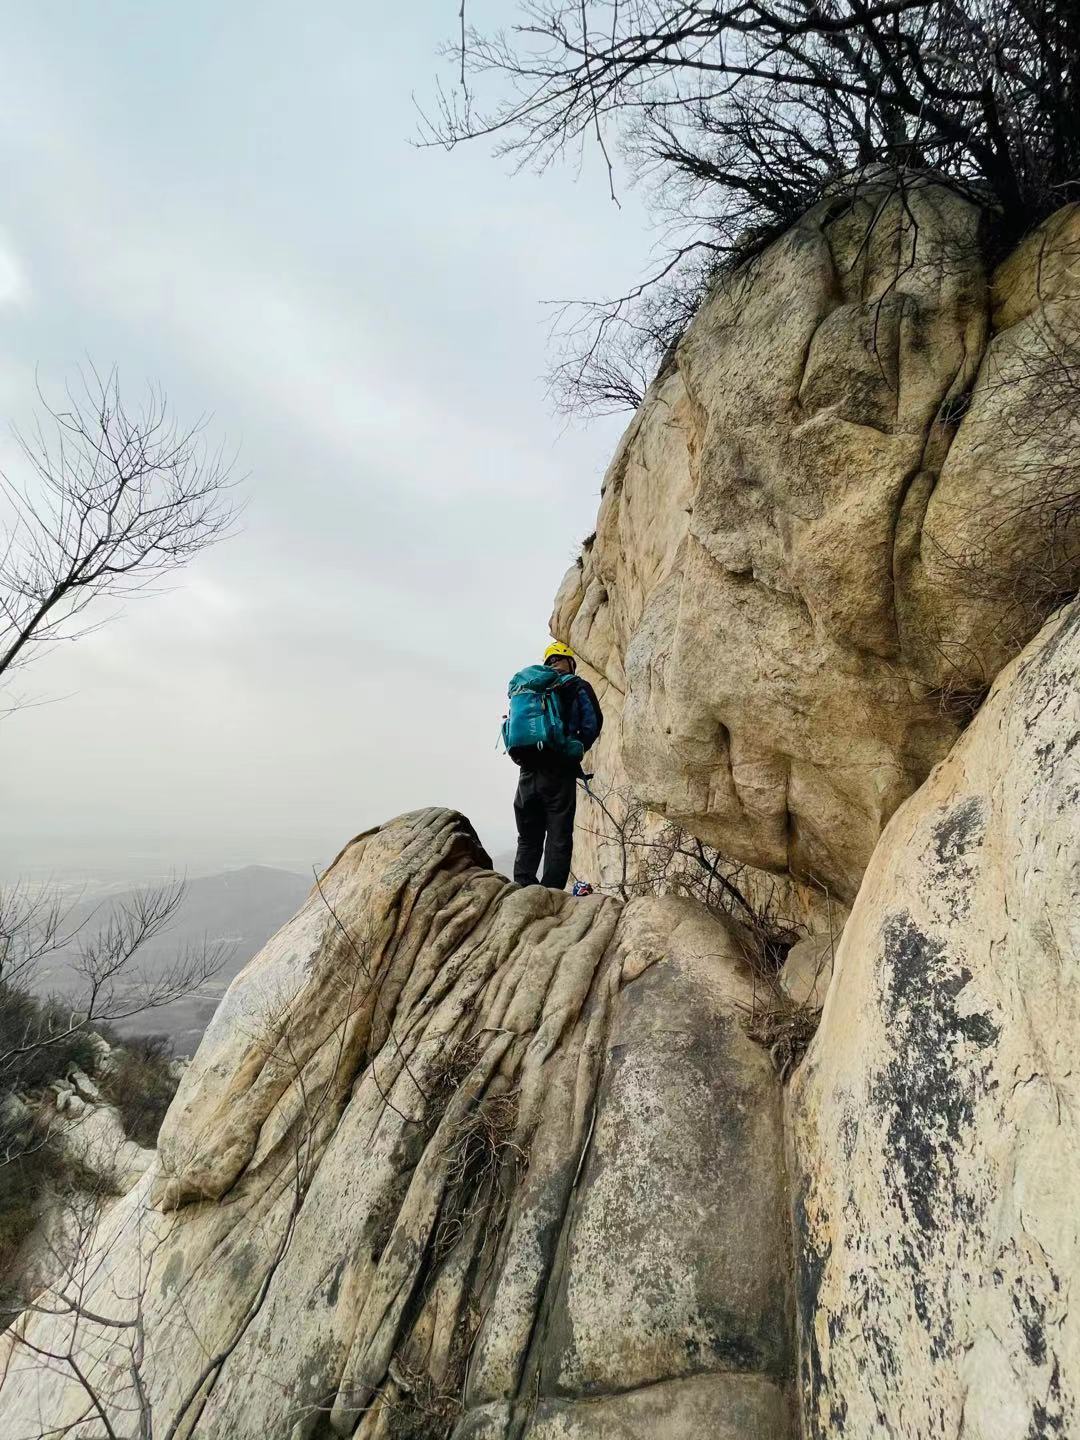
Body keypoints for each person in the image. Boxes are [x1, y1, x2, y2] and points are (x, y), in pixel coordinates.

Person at [510, 641, 602, 890]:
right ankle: (551, 892)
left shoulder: (534, 688)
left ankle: (522, 884)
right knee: (558, 836)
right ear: (569, 662)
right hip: (558, 770)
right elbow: (593, 722)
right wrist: (577, 746)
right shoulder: (575, 685)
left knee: (528, 836)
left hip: (527, 772)